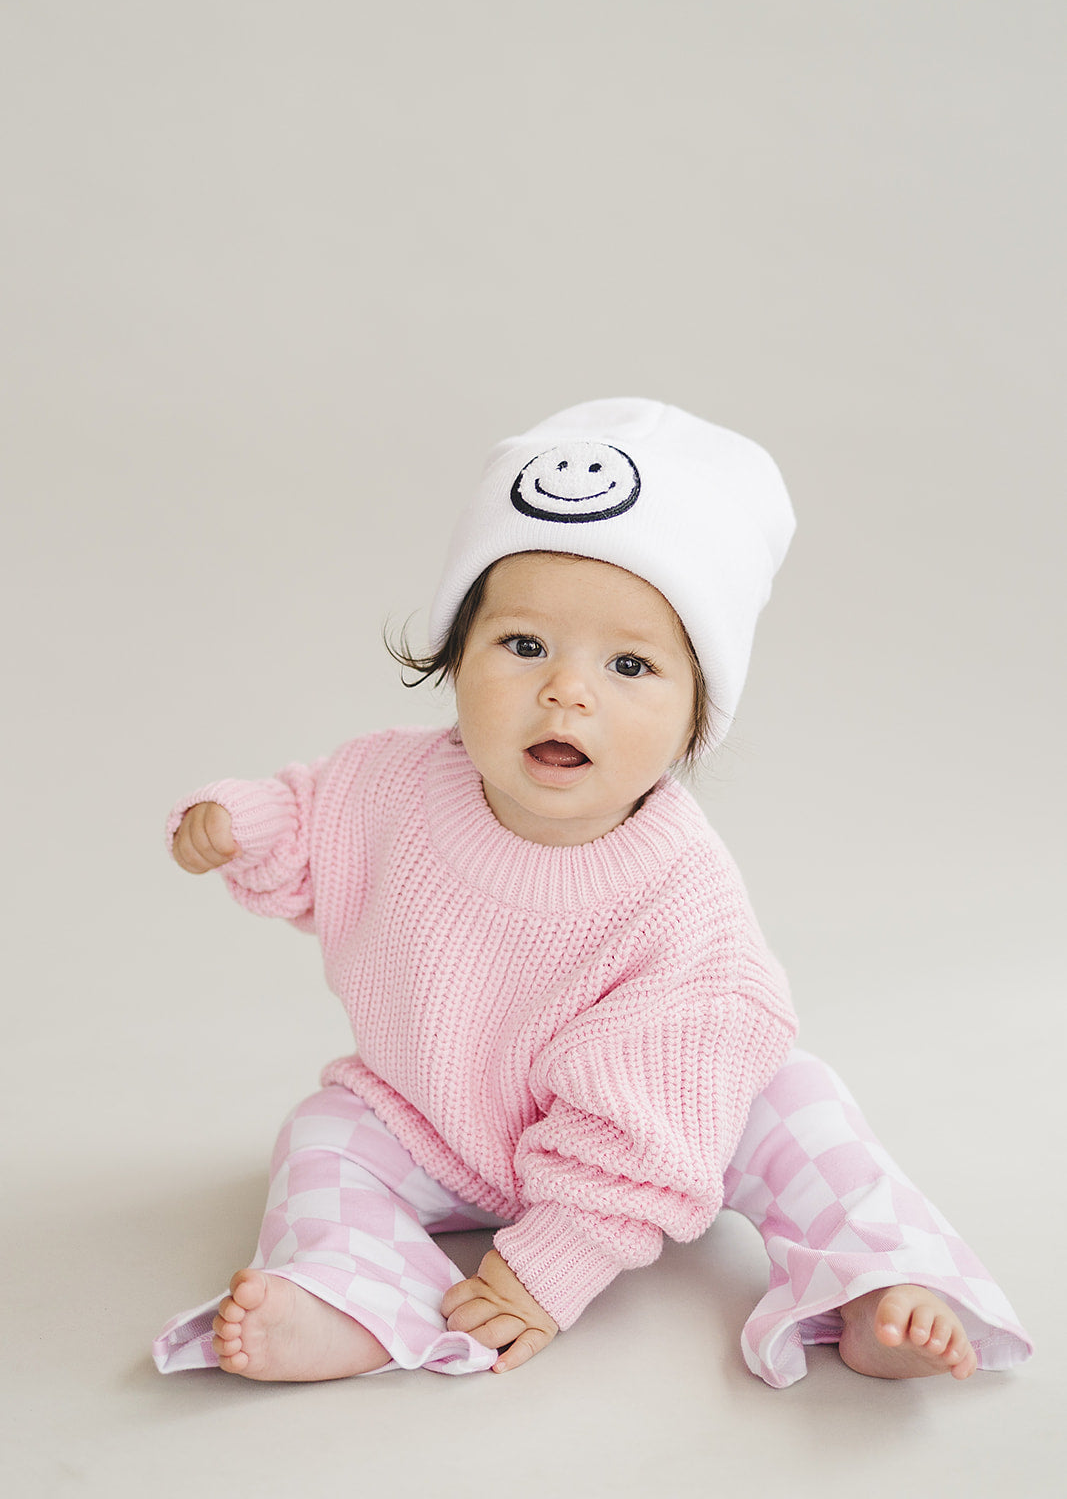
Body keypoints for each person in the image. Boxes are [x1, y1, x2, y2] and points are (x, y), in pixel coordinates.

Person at [152, 399, 1031, 1387]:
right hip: (428, 1121)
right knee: (323, 1134)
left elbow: (652, 1118)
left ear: (696, 717)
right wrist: (246, 823)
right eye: (524, 645)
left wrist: (548, 1266)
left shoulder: (682, 898)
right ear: (453, 655)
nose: (567, 690)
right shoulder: (390, 782)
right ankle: (347, 1290)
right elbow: (314, 816)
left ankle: (876, 1278)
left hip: (662, 1135)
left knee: (799, 1106)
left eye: (629, 664)